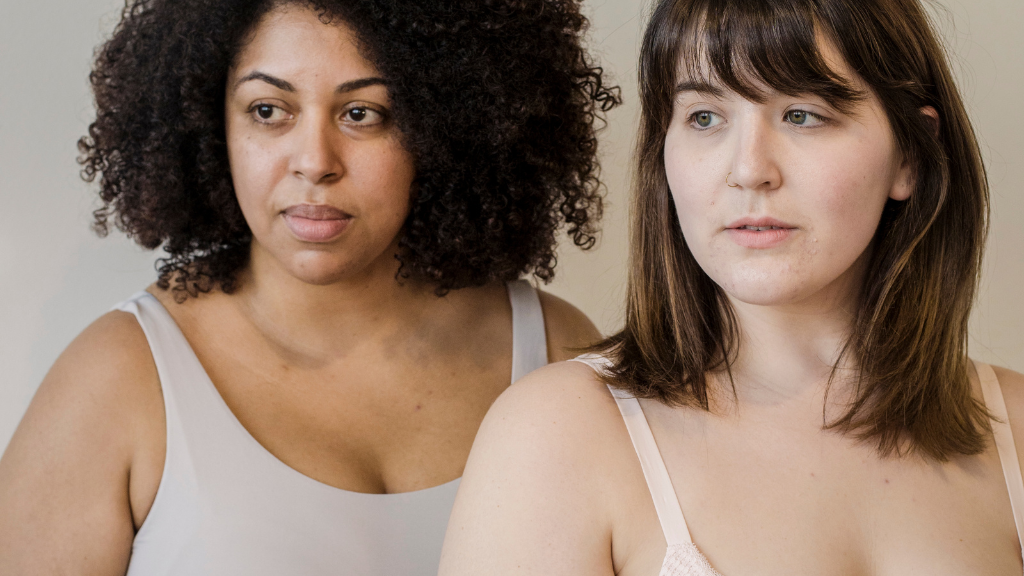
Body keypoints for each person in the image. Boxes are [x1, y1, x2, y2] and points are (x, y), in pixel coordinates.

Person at [0, 0, 620, 574]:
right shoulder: (118, 378)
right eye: (268, 111)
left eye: (362, 114)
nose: (314, 160)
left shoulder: (555, 351)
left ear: (445, 128)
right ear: (212, 124)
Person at [439, 0, 1024, 574]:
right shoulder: (556, 434)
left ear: (910, 159)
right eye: (705, 117)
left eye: (802, 113)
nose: (749, 169)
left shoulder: (1016, 430)